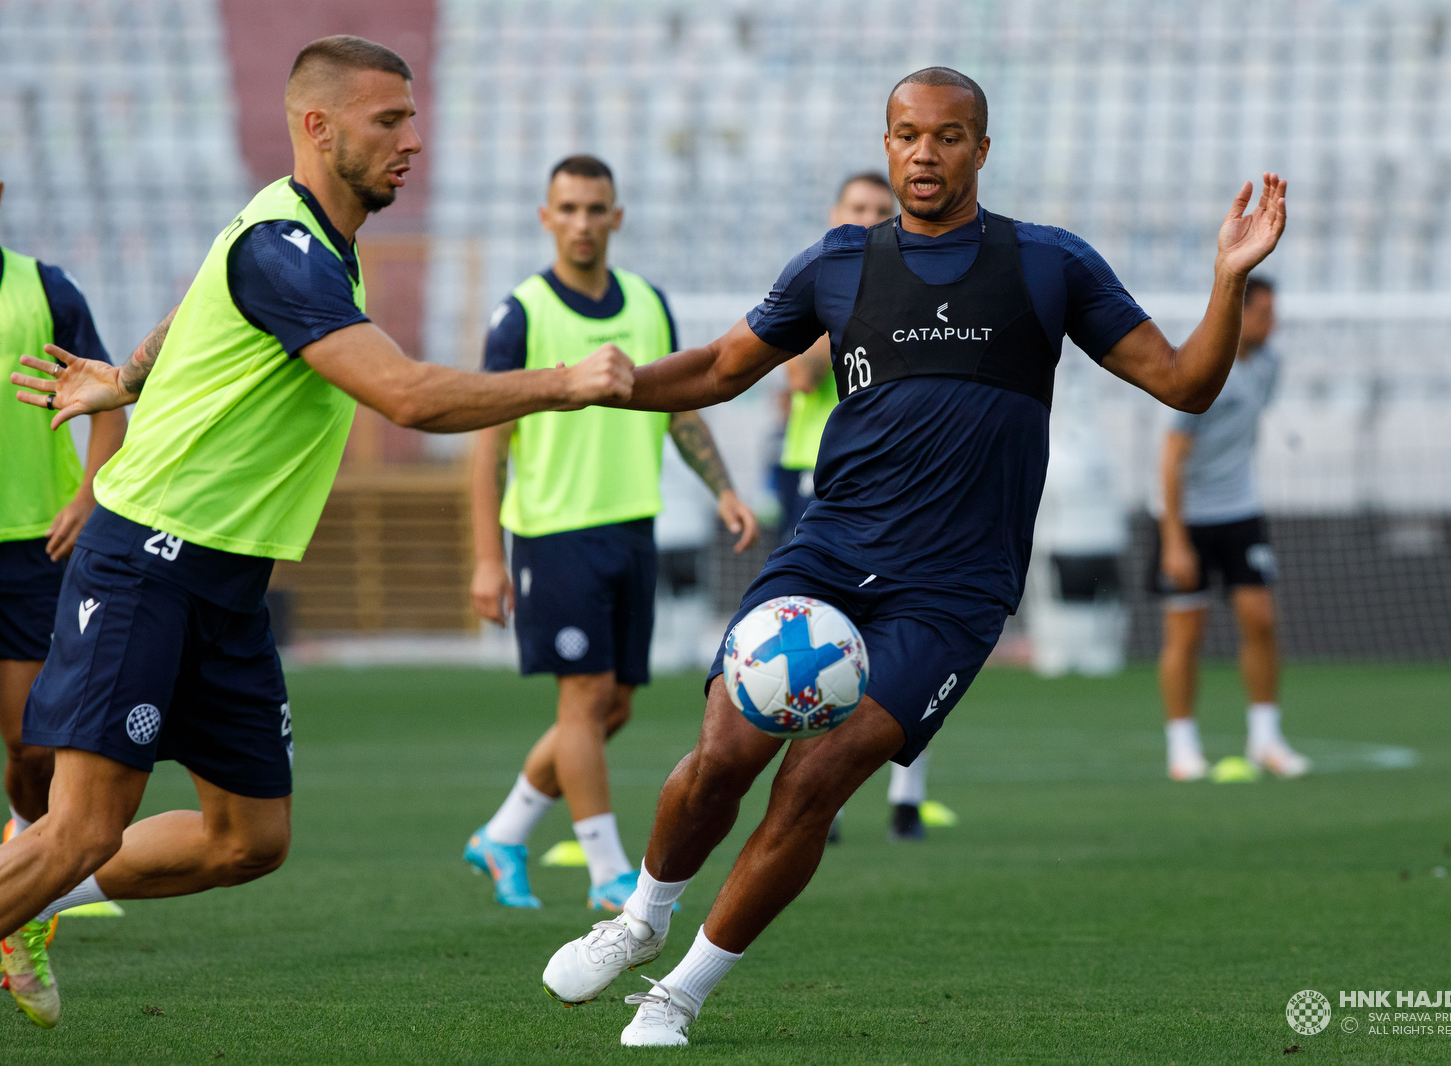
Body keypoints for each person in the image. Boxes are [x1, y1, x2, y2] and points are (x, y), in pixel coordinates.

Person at [539, 66, 1287, 1046]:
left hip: (952, 593)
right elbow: (723, 369)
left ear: (981, 147)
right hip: (828, 556)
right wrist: (604, 383)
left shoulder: (1049, 264)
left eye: (945, 136)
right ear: (885, 143)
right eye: (904, 135)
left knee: (815, 780)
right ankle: (640, 917)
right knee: (722, 753)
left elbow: (1186, 383)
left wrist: (1226, 280)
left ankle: (680, 990)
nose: (922, 154)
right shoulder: (838, 264)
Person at [0, 35, 633, 1030]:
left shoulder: (293, 241)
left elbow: (195, 306)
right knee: (78, 826)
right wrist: (567, 381)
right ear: (317, 125)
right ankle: (30, 878)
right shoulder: (284, 250)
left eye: (413, 119)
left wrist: (125, 375)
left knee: (248, 839)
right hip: (148, 563)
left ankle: (28, 895)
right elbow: (410, 398)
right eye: (390, 121)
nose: (413, 141)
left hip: (228, 586)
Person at [464, 155, 757, 912]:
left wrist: (723, 488)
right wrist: (486, 559)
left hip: (632, 530)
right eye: (568, 208)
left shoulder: (648, 304)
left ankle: (502, 834)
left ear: (617, 217)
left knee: (613, 707)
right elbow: (488, 441)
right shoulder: (521, 314)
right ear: (546, 217)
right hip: (553, 533)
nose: (583, 222)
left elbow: (680, 405)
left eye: (597, 209)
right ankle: (607, 874)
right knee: (584, 700)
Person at [772, 172, 947, 845]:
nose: (872, 218)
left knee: (911, 639)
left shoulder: (922, 289)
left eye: (883, 210)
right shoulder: (824, 282)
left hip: (903, 486)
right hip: (820, 485)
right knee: (819, 646)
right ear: (836, 215)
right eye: (860, 209)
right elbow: (801, 375)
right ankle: (827, 798)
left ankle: (908, 795)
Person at [1, 181, 127, 865]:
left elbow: (112, 397)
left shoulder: (47, 290)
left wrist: (88, 496)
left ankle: (27, 859)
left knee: (30, 743)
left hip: (29, 545)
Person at [1151, 275, 1309, 782]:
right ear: (1239, 314)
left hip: (1241, 511)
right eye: (1263, 312)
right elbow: (1172, 457)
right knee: (1186, 634)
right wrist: (1174, 539)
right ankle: (1182, 746)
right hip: (1188, 518)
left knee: (1261, 619)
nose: (1273, 322)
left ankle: (1266, 739)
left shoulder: (1270, 365)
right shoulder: (1203, 368)